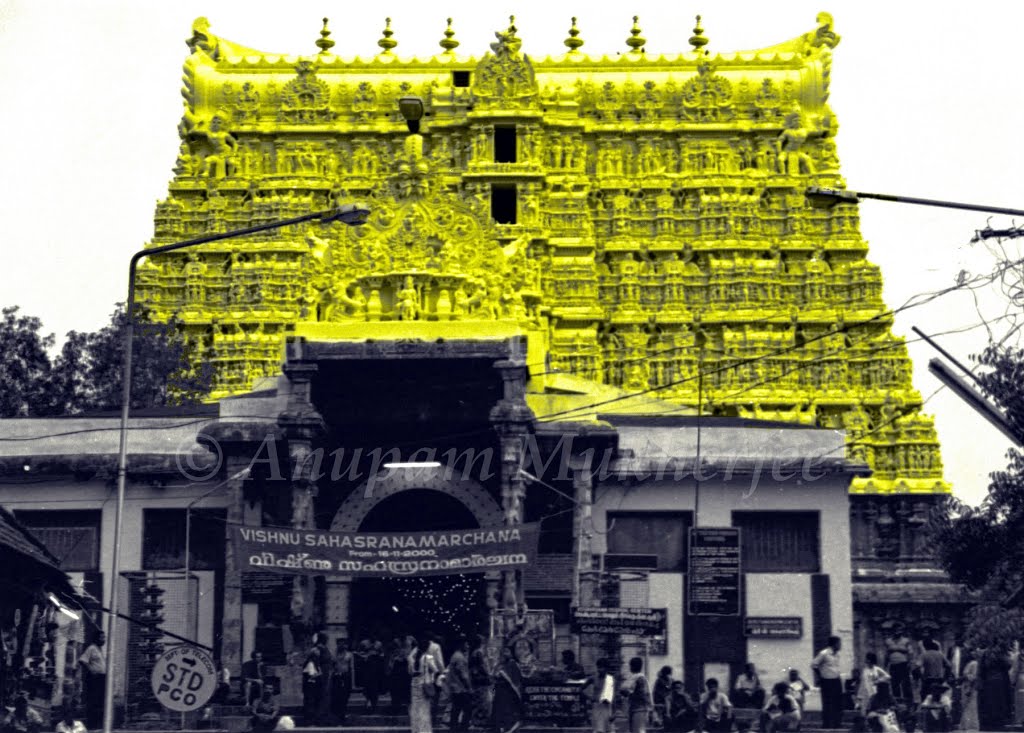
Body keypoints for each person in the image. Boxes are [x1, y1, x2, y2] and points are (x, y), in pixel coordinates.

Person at [492, 637, 529, 733]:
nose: (505, 654)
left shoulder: (512, 664)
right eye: (503, 652)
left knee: (508, 712)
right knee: (500, 712)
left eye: (507, 652)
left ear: (511, 653)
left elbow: (514, 680)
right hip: (500, 692)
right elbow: (495, 675)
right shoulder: (502, 664)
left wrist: (501, 674)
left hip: (508, 693)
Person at [409, 635, 440, 733]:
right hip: (424, 684)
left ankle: (416, 729)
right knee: (424, 709)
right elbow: (435, 670)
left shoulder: (412, 659)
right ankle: (424, 730)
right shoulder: (428, 657)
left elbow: (410, 672)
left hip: (414, 684)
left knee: (415, 708)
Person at [812, 635, 844, 729]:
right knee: (827, 703)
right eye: (839, 643)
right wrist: (821, 676)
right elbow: (814, 665)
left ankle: (837, 723)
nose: (840, 645)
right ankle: (826, 723)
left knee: (838, 703)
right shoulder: (824, 653)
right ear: (834, 644)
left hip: (836, 680)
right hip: (826, 681)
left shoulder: (837, 654)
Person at [977, 648, 1012, 731]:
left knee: (993, 703)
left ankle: (993, 722)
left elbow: (981, 669)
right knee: (996, 702)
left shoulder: (986, 654)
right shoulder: (996, 654)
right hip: (996, 682)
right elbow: (1008, 665)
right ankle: (995, 722)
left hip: (993, 682)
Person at [78, 631, 106, 730]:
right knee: (93, 701)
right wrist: (91, 669)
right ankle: (92, 725)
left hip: (101, 678)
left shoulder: (100, 650)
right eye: (101, 637)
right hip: (94, 678)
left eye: (104, 638)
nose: (103, 640)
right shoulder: (91, 648)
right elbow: (82, 660)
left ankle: (99, 725)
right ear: (97, 638)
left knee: (100, 701)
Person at [302, 632, 331, 726]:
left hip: (322, 677)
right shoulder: (317, 650)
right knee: (313, 699)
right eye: (326, 638)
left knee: (320, 698)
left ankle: (319, 720)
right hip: (316, 678)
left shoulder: (323, 649)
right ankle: (311, 721)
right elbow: (313, 663)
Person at [619, 657, 652, 733]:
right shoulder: (637, 677)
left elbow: (641, 694)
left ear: (633, 666)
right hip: (635, 708)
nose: (630, 667)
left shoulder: (639, 678)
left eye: (631, 665)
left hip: (640, 708)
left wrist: (625, 693)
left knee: (638, 730)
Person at [447, 637, 473, 732]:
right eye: (466, 644)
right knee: (468, 709)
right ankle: (463, 729)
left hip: (455, 688)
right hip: (461, 689)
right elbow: (464, 675)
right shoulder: (460, 658)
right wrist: (469, 688)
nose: (468, 646)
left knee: (456, 710)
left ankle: (454, 729)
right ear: (462, 644)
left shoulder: (455, 655)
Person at [468, 635, 493, 727]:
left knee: (478, 700)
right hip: (481, 680)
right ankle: (481, 720)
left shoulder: (473, 653)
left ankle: (476, 720)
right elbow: (482, 666)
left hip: (475, 680)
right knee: (484, 700)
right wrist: (488, 674)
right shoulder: (479, 652)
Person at [588, 657, 617, 733]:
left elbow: (614, 697)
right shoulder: (593, 678)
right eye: (598, 667)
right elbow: (581, 688)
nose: (600, 669)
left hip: (608, 707)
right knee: (598, 730)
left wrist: (614, 713)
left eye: (602, 667)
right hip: (597, 707)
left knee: (610, 730)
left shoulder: (611, 679)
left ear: (607, 668)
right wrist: (590, 697)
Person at [886, 628, 914, 702]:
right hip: (893, 665)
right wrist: (885, 665)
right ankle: (897, 701)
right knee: (894, 684)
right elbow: (887, 654)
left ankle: (908, 701)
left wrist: (910, 663)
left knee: (906, 684)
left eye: (899, 630)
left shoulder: (906, 640)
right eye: (895, 630)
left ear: (901, 631)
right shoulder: (888, 641)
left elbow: (910, 652)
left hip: (903, 664)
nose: (897, 632)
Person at [331, 639, 355, 724]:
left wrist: (352, 683)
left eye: (342, 643)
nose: (341, 645)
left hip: (345, 677)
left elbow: (351, 669)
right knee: (337, 698)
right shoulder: (334, 655)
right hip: (337, 677)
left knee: (345, 697)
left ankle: (342, 716)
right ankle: (338, 717)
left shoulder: (349, 655)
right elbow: (332, 666)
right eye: (339, 644)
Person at [386, 637, 411, 715]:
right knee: (395, 690)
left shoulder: (409, 642)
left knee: (406, 690)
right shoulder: (394, 654)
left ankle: (406, 707)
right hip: (397, 671)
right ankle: (396, 708)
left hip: (405, 670)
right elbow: (391, 663)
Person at [958, 654, 979, 732]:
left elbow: (973, 677)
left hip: (970, 687)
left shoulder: (974, 664)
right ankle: (965, 724)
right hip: (965, 685)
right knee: (965, 706)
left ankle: (971, 725)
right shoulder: (967, 664)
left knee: (971, 706)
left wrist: (965, 678)